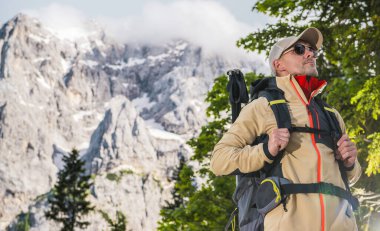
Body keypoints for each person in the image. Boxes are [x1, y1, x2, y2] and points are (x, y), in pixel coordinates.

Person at [210, 27, 362, 231]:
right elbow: (219, 160)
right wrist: (265, 150)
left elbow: (352, 177)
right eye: (299, 49)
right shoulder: (263, 106)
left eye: (312, 50)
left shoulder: (331, 115)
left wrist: (351, 164)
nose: (309, 54)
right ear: (278, 64)